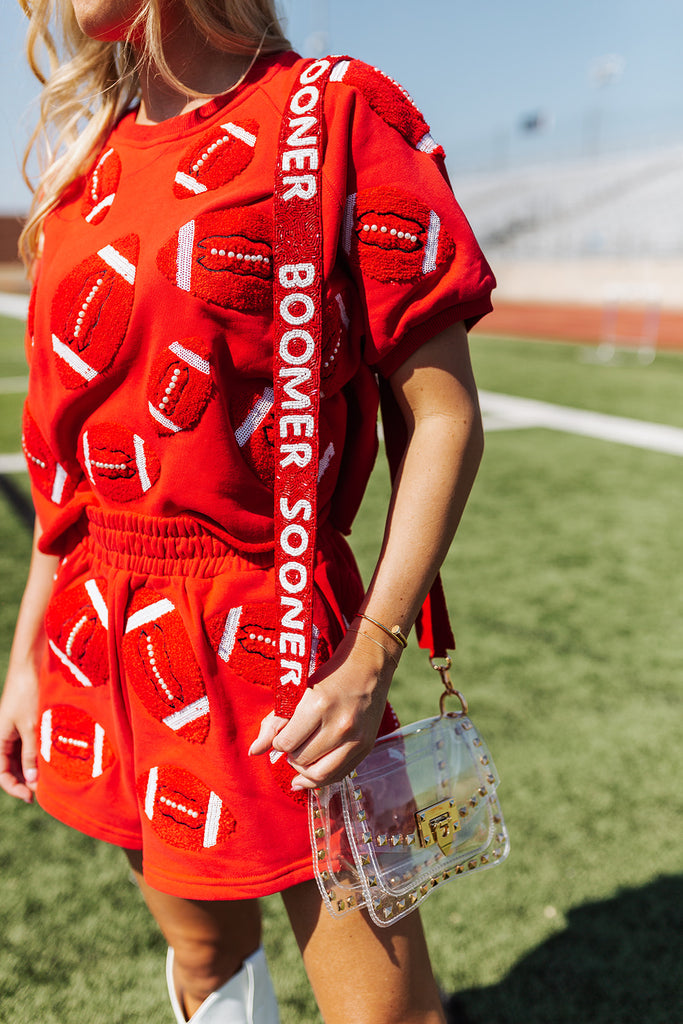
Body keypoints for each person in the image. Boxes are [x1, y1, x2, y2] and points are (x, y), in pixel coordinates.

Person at [0, 1, 495, 1021]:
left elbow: (441, 417)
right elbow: (65, 468)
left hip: (277, 637)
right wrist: (23, 660)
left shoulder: (335, 112)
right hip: (102, 636)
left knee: (389, 1013)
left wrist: (371, 652)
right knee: (202, 951)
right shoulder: (89, 157)